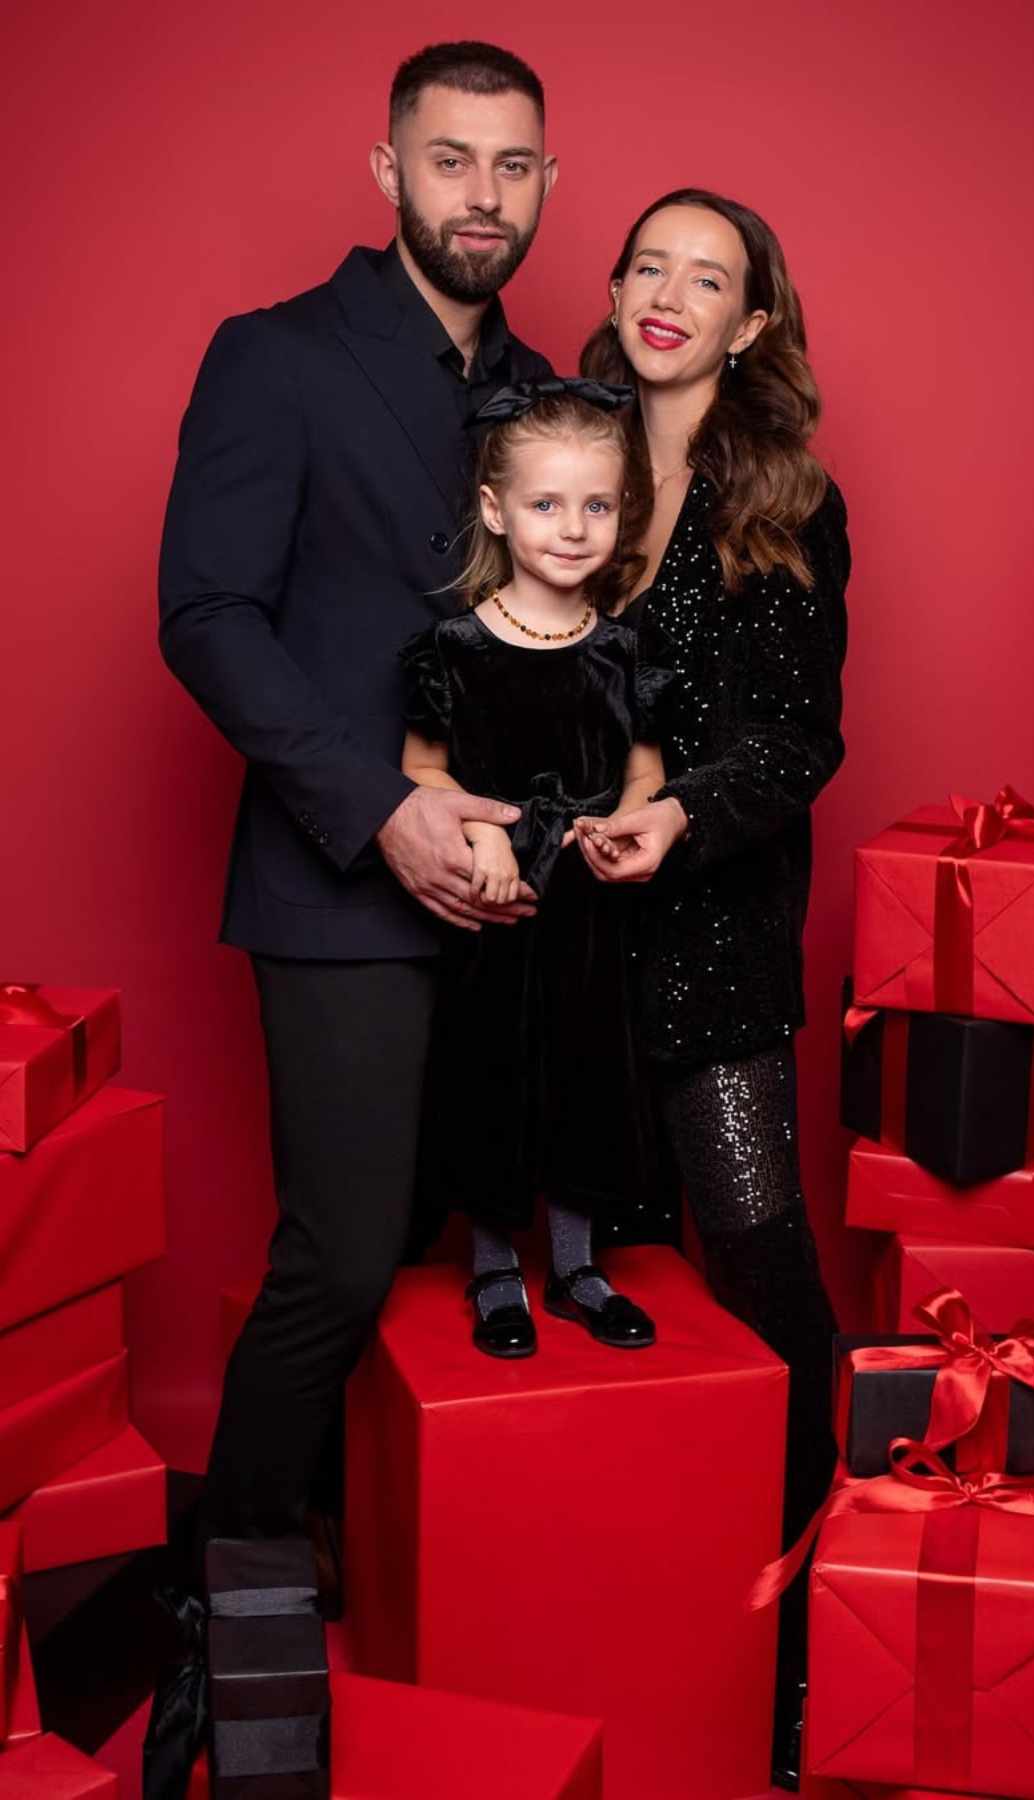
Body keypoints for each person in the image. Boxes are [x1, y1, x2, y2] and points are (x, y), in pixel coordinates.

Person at [148, 37, 556, 1786]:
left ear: (546, 182)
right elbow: (208, 614)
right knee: (333, 1256)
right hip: (338, 882)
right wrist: (383, 810)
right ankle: (228, 1621)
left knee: (452, 1254)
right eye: (451, 161)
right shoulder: (276, 358)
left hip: (515, 890)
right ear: (387, 174)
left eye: (515, 165)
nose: (484, 194)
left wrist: (536, 827)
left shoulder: (553, 389)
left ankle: (386, 1588)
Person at [577, 188, 850, 1787]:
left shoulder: (792, 502)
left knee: (760, 1277)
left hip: (710, 943)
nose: (670, 295)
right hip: (555, 947)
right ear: (612, 289)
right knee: (597, 1285)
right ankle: (634, 1630)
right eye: (649, 265)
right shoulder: (548, 447)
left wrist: (676, 815)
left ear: (751, 326)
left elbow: (803, 741)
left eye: (711, 278)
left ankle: (810, 1645)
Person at [400, 379, 671, 1356]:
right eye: (547, 504)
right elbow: (421, 767)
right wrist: (478, 841)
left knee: (586, 1085)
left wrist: (624, 827)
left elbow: (645, 774)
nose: (572, 527)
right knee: (492, 1083)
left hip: (589, 918)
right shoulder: (456, 649)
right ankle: (494, 1273)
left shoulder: (624, 653)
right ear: (495, 509)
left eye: (596, 505)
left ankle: (579, 1267)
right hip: (494, 911)